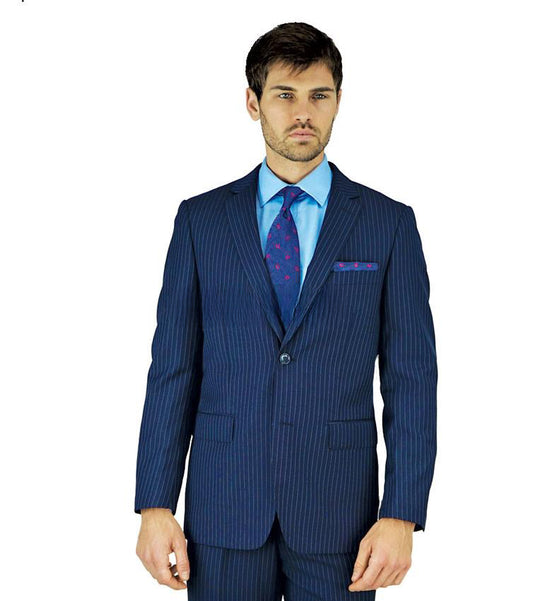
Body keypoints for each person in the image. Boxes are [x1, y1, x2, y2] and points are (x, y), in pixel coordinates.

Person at [134, 22, 438, 600]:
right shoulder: (200, 222)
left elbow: (412, 380)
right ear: (254, 103)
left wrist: (402, 513)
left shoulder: (389, 224)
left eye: (319, 95)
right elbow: (173, 369)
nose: (303, 113)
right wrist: (154, 502)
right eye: (284, 95)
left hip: (341, 520)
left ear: (338, 101)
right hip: (224, 508)